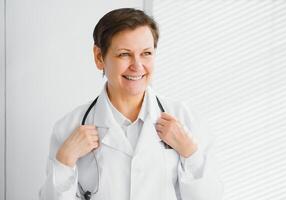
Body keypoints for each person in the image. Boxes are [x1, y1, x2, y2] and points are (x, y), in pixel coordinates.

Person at [39, 8, 223, 200]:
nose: (137, 65)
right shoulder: (68, 129)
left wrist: (190, 154)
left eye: (146, 53)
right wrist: (64, 161)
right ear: (99, 57)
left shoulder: (187, 121)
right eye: (124, 54)